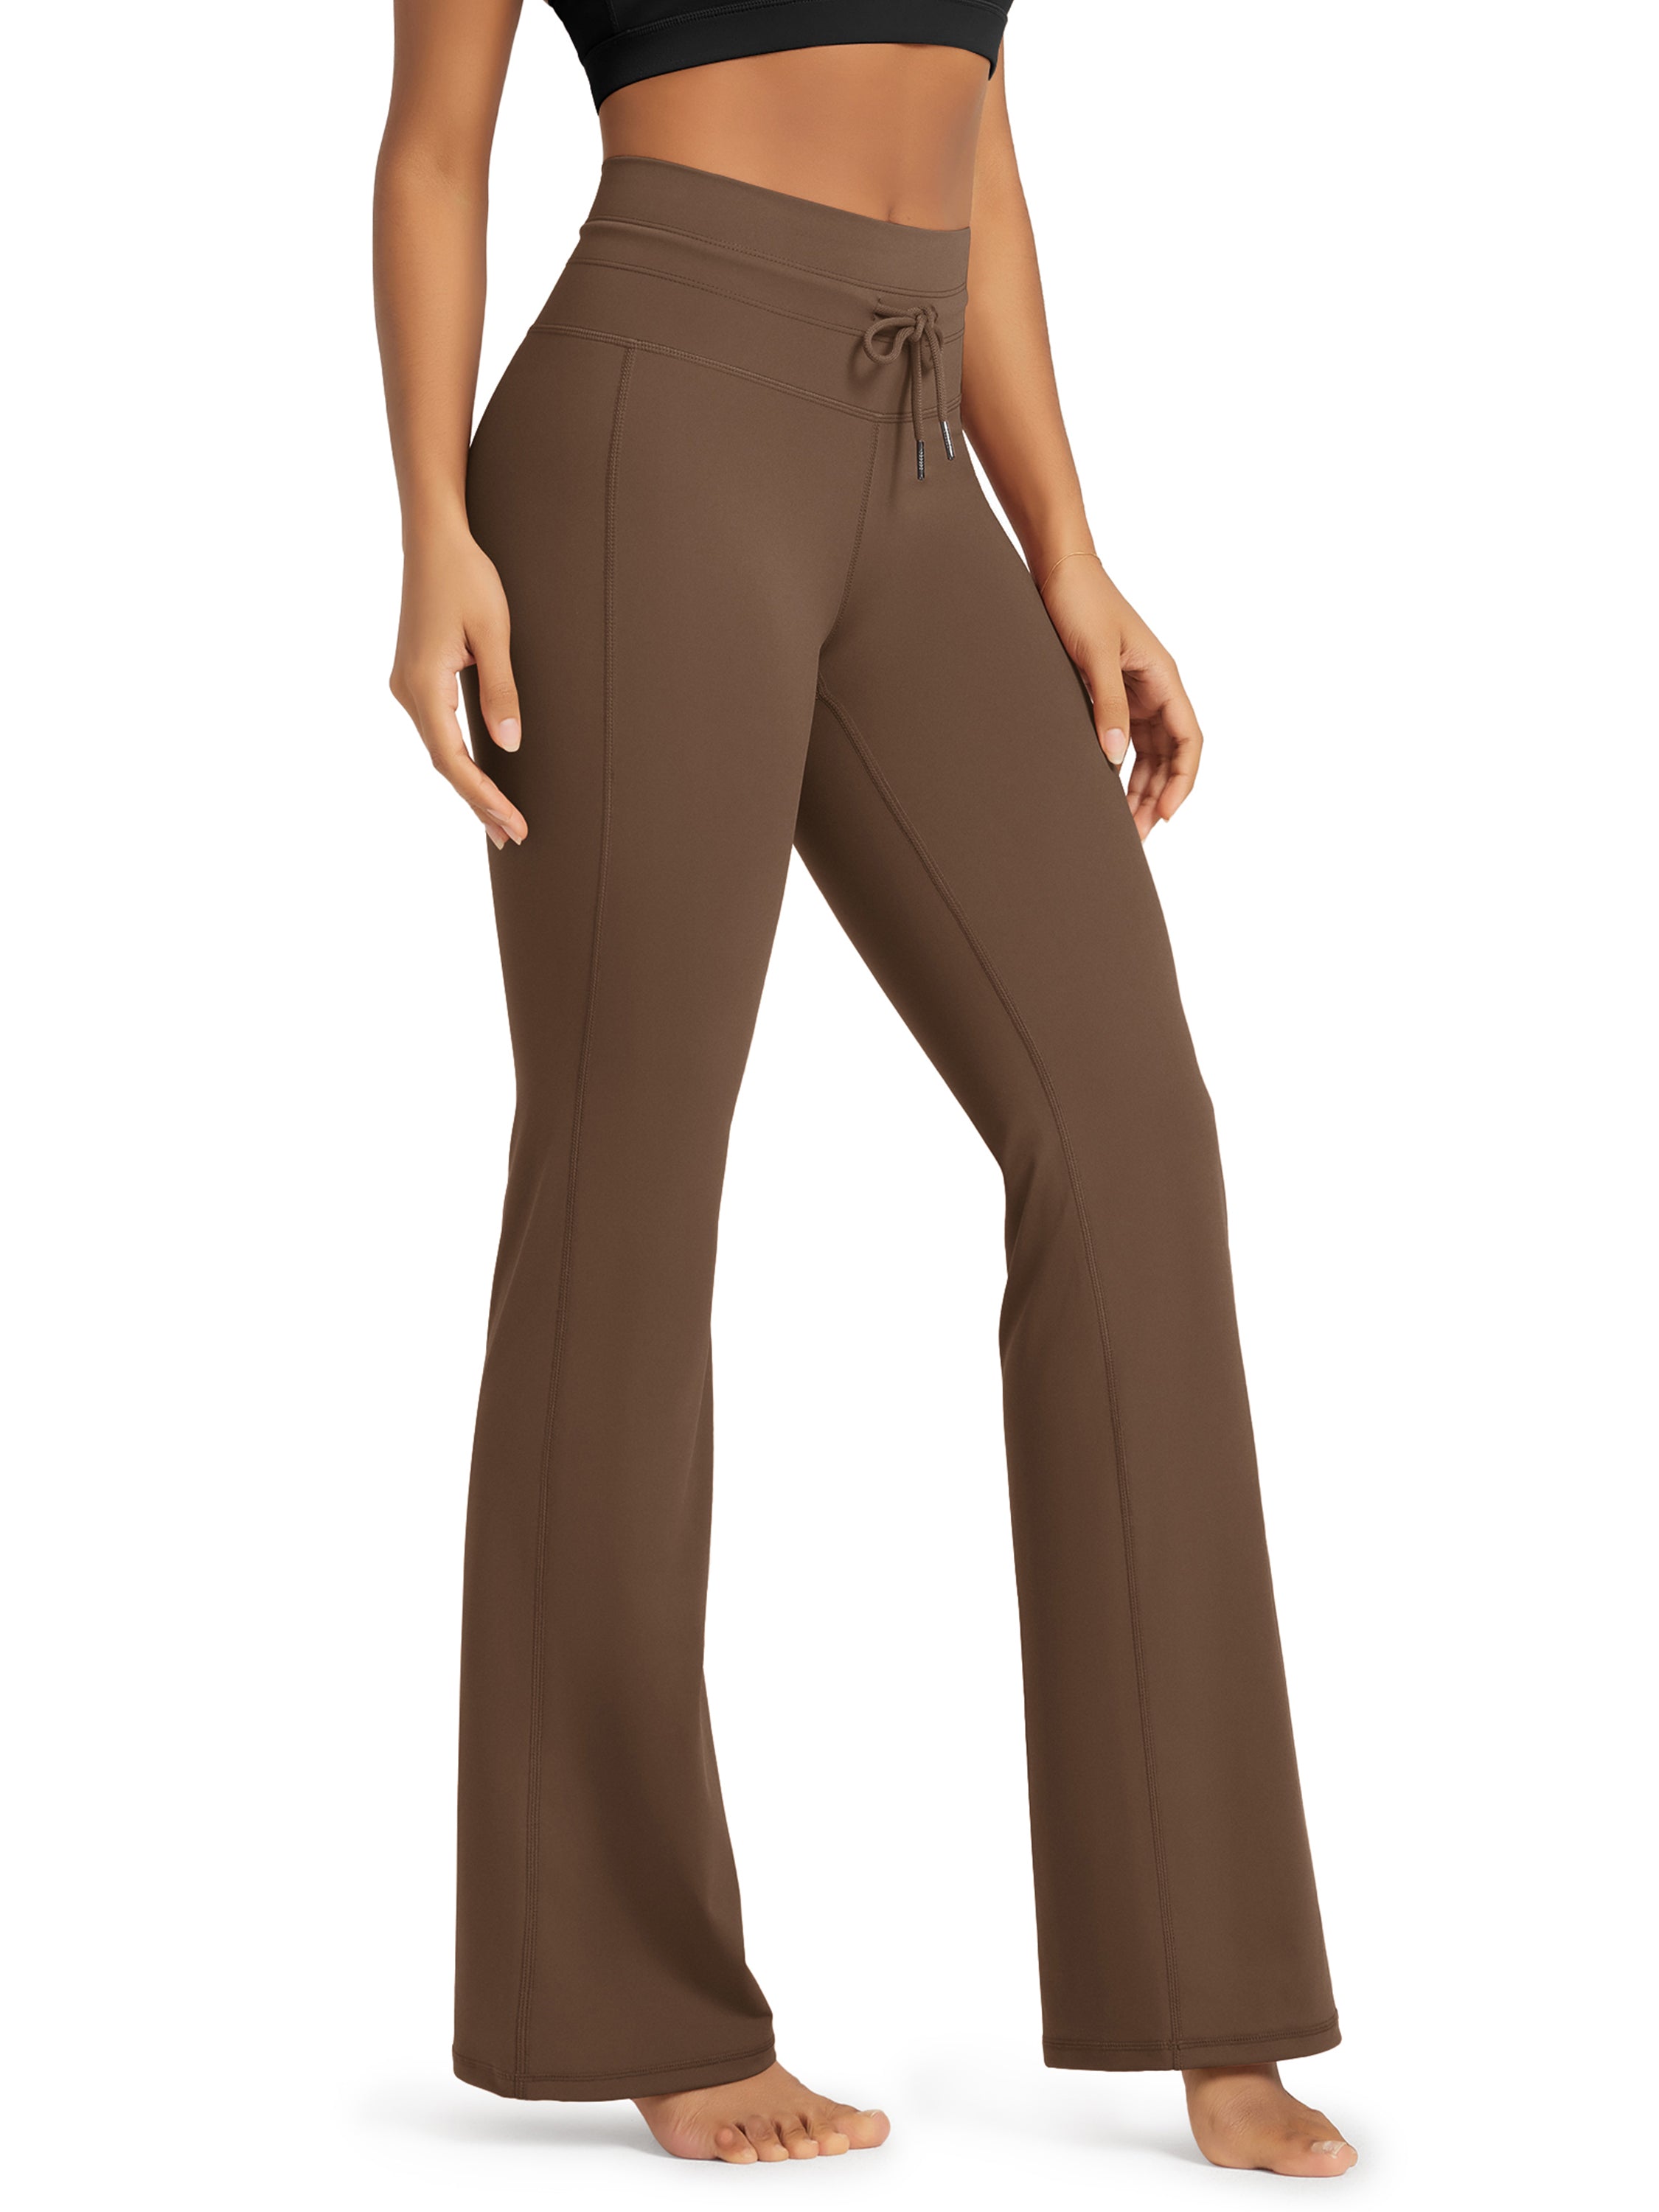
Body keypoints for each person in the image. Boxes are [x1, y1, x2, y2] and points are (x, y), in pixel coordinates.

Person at [373, 0, 1355, 2178]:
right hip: (649, 427)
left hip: (915, 457)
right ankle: (627, 1992)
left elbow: (979, 145)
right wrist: (431, 523)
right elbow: (436, 146)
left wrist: (1066, 544)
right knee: (630, 1176)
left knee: (1129, 1137)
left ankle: (1212, 1997)